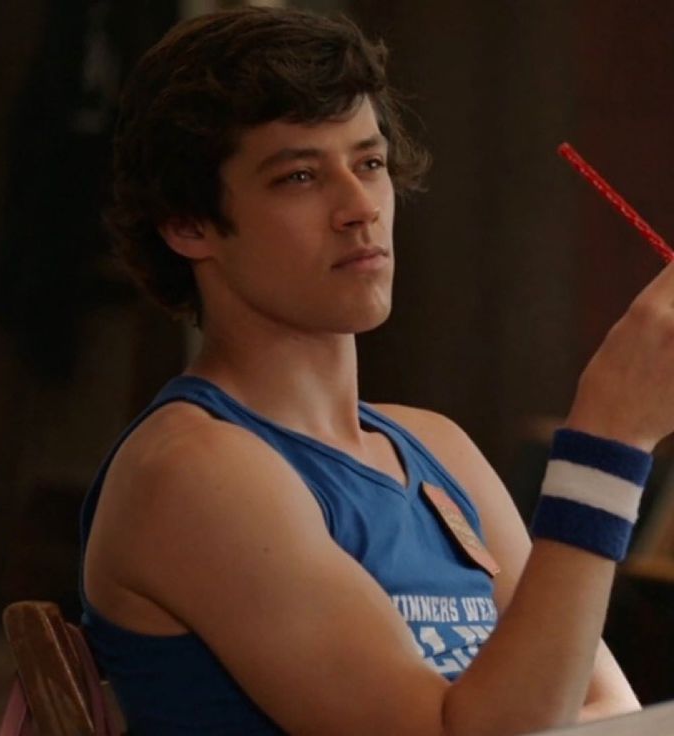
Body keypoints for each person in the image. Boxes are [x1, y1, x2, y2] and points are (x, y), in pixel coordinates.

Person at [80, 6, 674, 734]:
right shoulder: (191, 470)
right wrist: (609, 438)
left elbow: (606, 708)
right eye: (299, 176)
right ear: (188, 224)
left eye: (369, 163)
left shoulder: (437, 447)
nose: (360, 207)